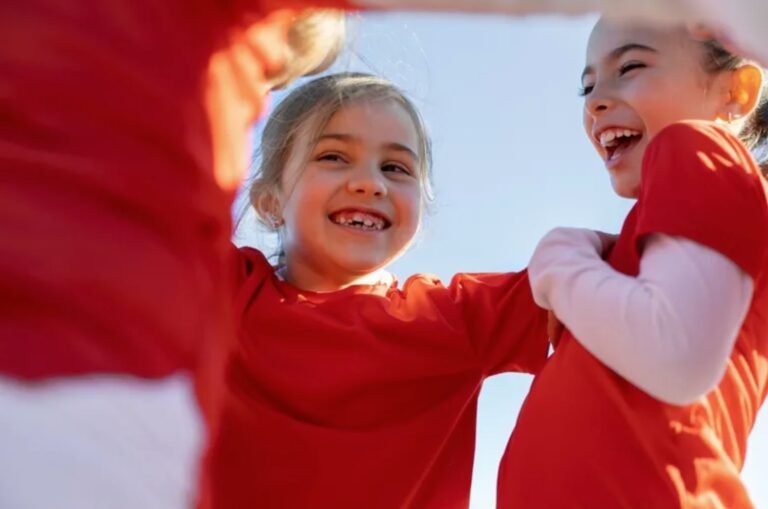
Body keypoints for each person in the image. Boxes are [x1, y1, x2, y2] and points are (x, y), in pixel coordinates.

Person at [200, 72, 549, 509]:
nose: (371, 183)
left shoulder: (457, 322)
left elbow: (632, 270)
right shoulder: (224, 294)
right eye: (333, 157)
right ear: (269, 201)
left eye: (395, 168)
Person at [497, 18, 768, 508]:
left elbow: (676, 354)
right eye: (587, 85)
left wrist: (559, 259)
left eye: (631, 66)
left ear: (736, 89)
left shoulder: (698, 145)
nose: (596, 100)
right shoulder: (688, 213)